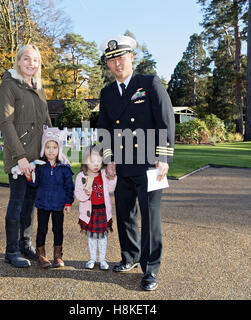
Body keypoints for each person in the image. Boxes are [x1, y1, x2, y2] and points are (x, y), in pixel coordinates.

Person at [97, 35, 175, 291]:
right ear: (108, 65)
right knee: (125, 213)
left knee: (150, 216)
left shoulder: (149, 83)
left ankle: (150, 269)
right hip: (122, 164)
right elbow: (104, 128)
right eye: (112, 60)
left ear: (131, 57)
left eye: (121, 57)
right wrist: (108, 159)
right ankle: (130, 256)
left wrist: (163, 156)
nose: (117, 63)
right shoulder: (107, 93)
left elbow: (165, 120)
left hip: (150, 163)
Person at [0, 44, 52, 268]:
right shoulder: (9, 86)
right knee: (17, 202)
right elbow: (6, 123)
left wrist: (53, 147)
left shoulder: (38, 87)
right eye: (27, 59)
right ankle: (11, 251)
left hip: (38, 157)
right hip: (19, 159)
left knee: (30, 204)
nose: (32, 63)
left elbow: (47, 121)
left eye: (36, 60)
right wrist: (19, 157)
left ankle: (25, 243)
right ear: (18, 61)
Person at [28, 126, 74, 268]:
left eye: (54, 147)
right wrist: (30, 176)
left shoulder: (64, 167)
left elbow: (69, 186)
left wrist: (68, 202)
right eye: (48, 147)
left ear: (59, 148)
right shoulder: (40, 166)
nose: (51, 150)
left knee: (57, 229)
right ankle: (41, 254)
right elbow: (34, 184)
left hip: (58, 204)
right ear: (43, 149)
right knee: (42, 228)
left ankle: (57, 255)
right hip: (43, 203)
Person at [75, 146, 117, 271]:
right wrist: (86, 193)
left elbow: (111, 188)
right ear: (85, 161)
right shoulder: (81, 176)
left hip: (102, 211)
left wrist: (113, 177)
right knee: (92, 237)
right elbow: (78, 194)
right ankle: (92, 258)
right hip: (90, 212)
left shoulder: (103, 174)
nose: (96, 165)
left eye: (99, 162)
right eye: (92, 162)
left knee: (103, 237)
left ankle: (103, 259)